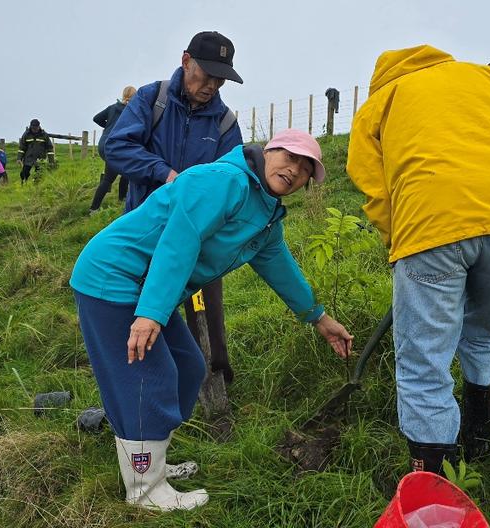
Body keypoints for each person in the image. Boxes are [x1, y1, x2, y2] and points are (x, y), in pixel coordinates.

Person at [71, 130, 353, 511]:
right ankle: (145, 492)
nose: (294, 170)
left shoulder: (267, 213)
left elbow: (280, 268)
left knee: (189, 368)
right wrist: (152, 313)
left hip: (151, 288)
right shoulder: (224, 181)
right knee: (147, 380)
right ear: (269, 150)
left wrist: (319, 318)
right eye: (289, 157)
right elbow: (179, 241)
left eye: (305, 169)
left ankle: (151, 463)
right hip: (115, 279)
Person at [346, 45, 490, 473]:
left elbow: (370, 180)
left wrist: (398, 238)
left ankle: (435, 478)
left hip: (429, 225)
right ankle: (479, 436)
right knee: (485, 327)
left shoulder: (381, 100)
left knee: (424, 357)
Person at [103, 30, 244, 385]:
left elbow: (234, 177)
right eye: (206, 74)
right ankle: (147, 382)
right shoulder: (154, 100)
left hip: (199, 238)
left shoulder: (225, 123)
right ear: (185, 61)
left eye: (220, 78)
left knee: (207, 308)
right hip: (146, 230)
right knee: (144, 307)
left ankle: (214, 379)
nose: (212, 85)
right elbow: (116, 147)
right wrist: (162, 173)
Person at [89, 86, 136, 213]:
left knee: (126, 170)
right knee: (110, 178)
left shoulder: (113, 107)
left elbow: (96, 118)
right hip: (115, 146)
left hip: (103, 144)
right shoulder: (132, 110)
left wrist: (108, 126)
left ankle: (122, 199)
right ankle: (94, 209)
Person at [16, 119, 55, 184]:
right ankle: (23, 184)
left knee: (39, 175)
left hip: (40, 159)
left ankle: (36, 186)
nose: (35, 130)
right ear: (30, 126)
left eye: (36, 128)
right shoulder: (26, 134)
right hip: (28, 158)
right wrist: (19, 158)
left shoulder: (44, 135)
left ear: (39, 126)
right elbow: (22, 148)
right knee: (24, 173)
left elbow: (50, 148)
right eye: (33, 128)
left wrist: (51, 161)